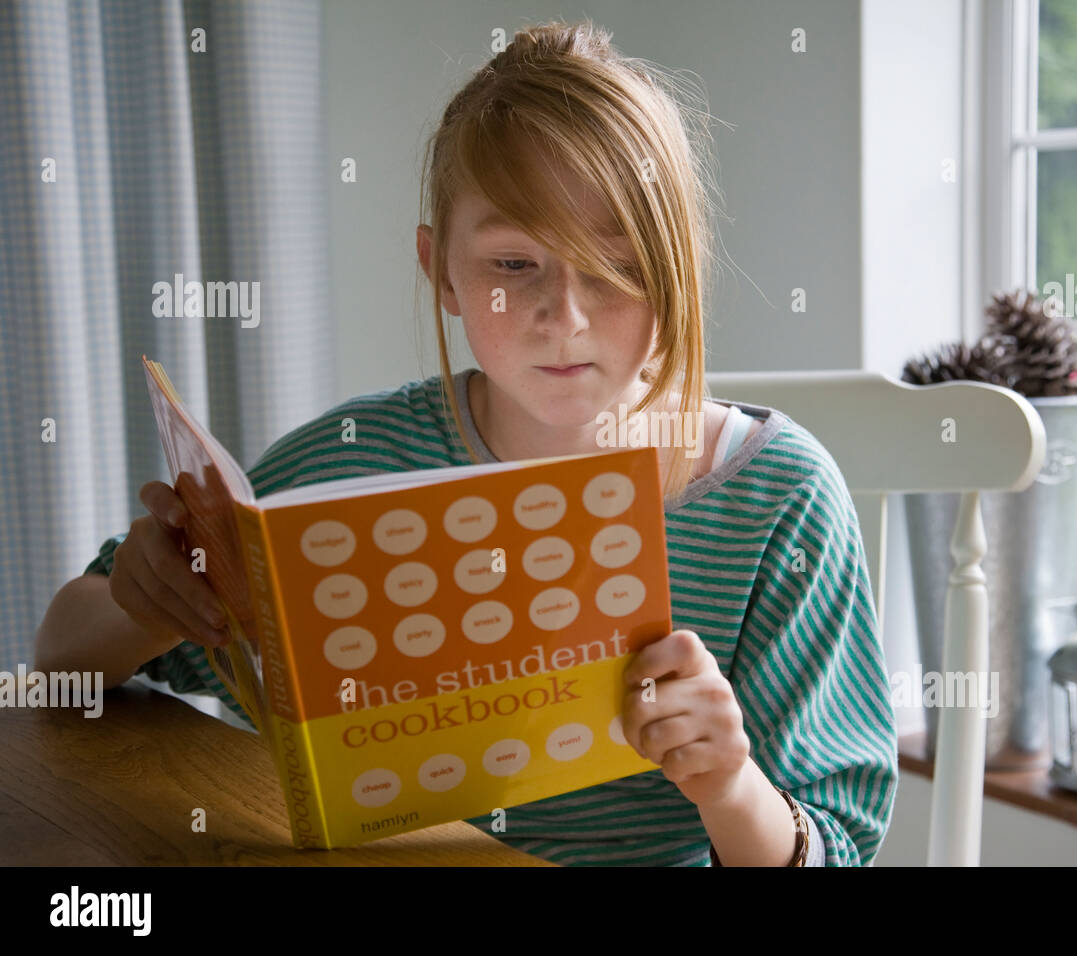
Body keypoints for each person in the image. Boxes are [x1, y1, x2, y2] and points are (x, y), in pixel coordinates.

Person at [36, 18, 896, 866]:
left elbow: (833, 846)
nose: (565, 317)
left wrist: (728, 783)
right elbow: (59, 662)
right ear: (440, 270)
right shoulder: (345, 466)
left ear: (679, 266)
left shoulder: (778, 500)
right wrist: (143, 598)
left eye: (618, 265)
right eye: (513, 266)